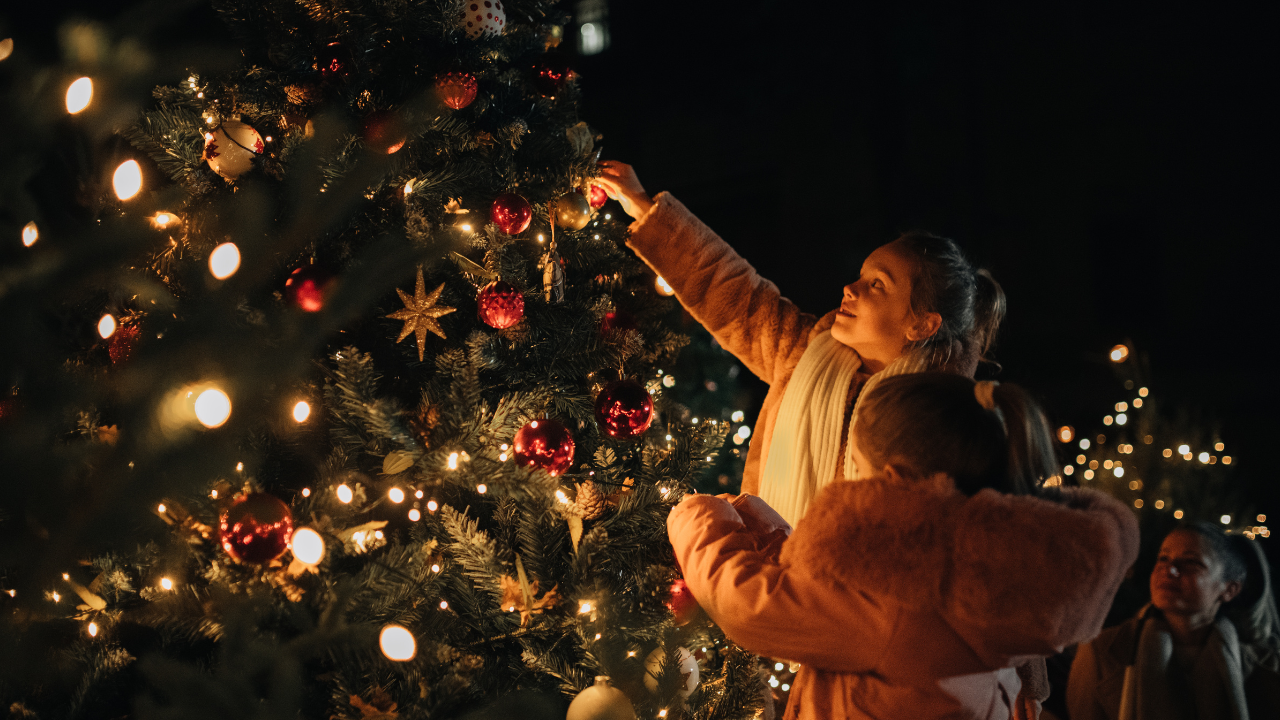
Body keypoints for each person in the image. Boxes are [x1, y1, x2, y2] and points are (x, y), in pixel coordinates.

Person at [666, 373, 1140, 719]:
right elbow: (826, 593)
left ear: (893, 480)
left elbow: (748, 601)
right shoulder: (989, 572)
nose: (849, 478)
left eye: (857, 465)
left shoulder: (897, 601)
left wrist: (697, 513)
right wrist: (757, 520)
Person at [596, 161, 1005, 527]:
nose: (850, 288)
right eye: (861, 276)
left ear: (921, 324)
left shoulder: (945, 427)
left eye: (877, 285)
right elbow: (733, 291)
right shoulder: (804, 352)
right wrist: (644, 207)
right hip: (772, 575)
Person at [1067, 523, 1280, 720]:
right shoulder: (1102, 652)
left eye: (1191, 562)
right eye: (1163, 558)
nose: (1169, 570)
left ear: (1229, 589)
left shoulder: (1265, 665)